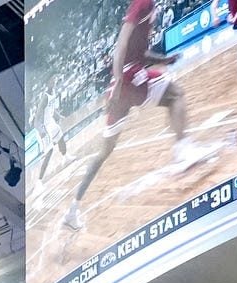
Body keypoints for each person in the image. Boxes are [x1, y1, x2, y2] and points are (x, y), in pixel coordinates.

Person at [61, 0, 220, 233]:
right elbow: (121, 46)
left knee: (104, 151)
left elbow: (138, 51)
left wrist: (162, 60)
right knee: (175, 95)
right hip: (127, 80)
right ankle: (183, 151)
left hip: (122, 84)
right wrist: (117, 83)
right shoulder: (142, 3)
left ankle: (72, 210)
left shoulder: (146, 7)